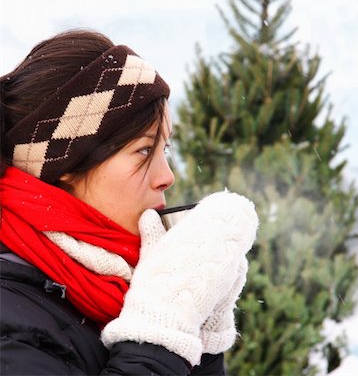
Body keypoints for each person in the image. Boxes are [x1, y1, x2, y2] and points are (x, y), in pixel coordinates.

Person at [0, 29, 258, 375]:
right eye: (144, 150)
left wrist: (200, 333)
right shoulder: (9, 319)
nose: (168, 176)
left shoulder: (109, 289)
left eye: (165, 149)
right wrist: (157, 339)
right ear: (67, 166)